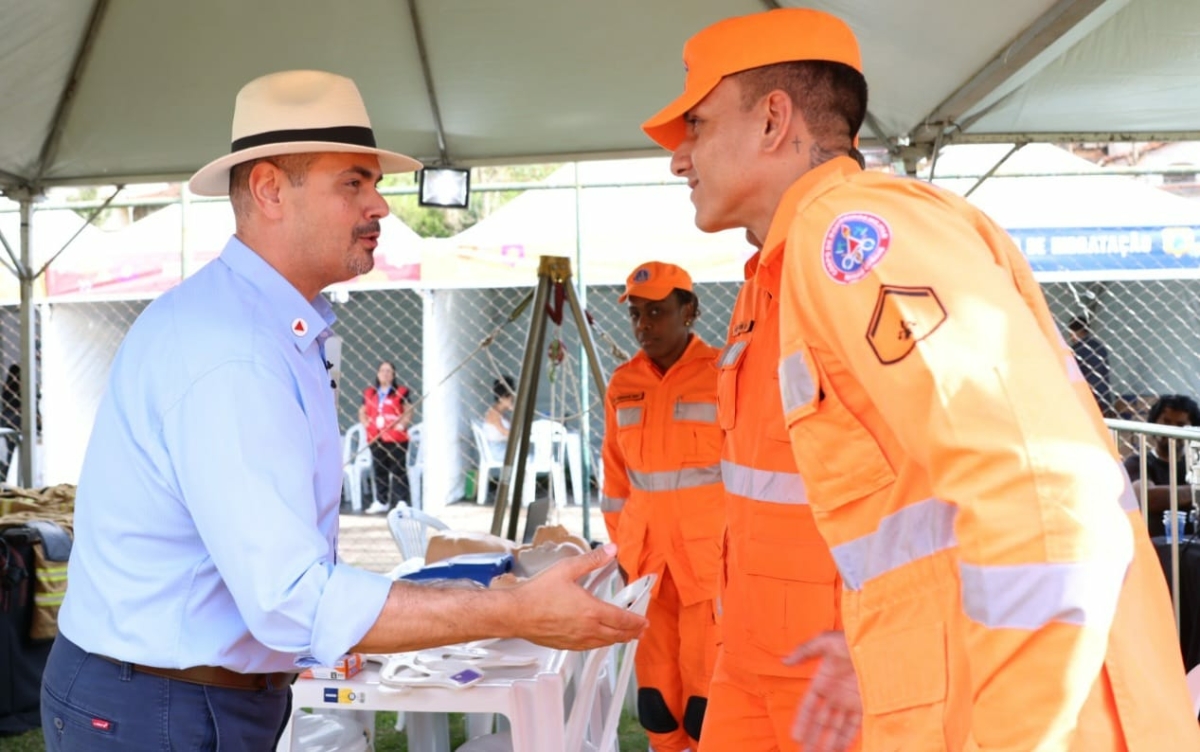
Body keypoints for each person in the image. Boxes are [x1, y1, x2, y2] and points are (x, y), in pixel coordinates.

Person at [643, 8, 1199, 751]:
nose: (679, 161)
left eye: (698, 126)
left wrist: (1023, 733)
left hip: (1014, 714)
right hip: (880, 671)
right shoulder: (780, 269)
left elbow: (1039, 492)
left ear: (773, 120)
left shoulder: (852, 235)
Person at [41, 70, 646, 751]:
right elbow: (291, 600)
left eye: (374, 184)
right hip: (160, 704)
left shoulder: (266, 327)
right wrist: (511, 610)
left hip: (184, 693)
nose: (379, 205)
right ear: (270, 190)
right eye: (353, 183)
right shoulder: (232, 351)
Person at [601, 262, 723, 751]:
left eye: (657, 312)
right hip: (645, 561)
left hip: (709, 561)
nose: (643, 325)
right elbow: (615, 480)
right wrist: (621, 548)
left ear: (688, 310)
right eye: (636, 314)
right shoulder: (622, 383)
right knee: (656, 697)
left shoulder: (723, 374)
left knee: (707, 696)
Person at [1123, 394, 1200, 536]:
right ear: (1154, 423)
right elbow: (1147, 497)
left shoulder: (1196, 464)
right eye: (1166, 422)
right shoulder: (1138, 462)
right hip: (1155, 543)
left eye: (1180, 425)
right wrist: (1195, 491)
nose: (1171, 431)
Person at [359, 360, 412, 514]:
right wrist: (366, 424)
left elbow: (408, 410)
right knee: (379, 468)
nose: (385, 374)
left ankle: (401, 500)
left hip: (396, 437)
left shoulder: (401, 392)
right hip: (376, 437)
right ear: (377, 374)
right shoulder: (370, 393)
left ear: (393, 375)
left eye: (389, 371)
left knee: (398, 469)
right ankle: (381, 501)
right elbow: (362, 411)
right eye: (382, 370)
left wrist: (402, 424)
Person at [1068, 316, 1113, 416]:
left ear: (1073, 332)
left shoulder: (1075, 351)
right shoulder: (1099, 347)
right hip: (1103, 397)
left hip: (1083, 397)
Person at [482, 374, 516, 458]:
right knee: (529, 459)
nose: (513, 398)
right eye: (510, 396)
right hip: (497, 450)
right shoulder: (494, 413)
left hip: (503, 447)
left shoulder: (500, 412)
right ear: (503, 398)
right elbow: (505, 432)